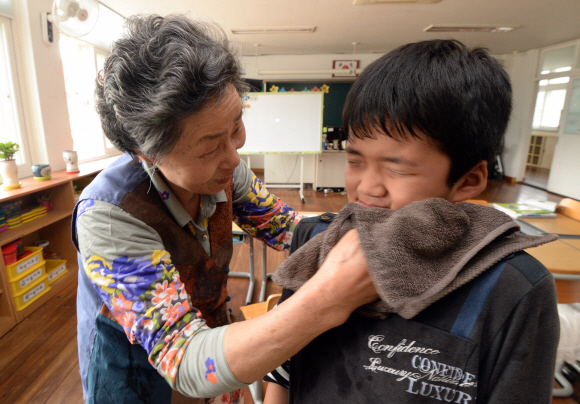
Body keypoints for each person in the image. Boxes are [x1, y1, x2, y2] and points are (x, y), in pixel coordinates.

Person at [72, 14, 378, 404]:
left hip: (214, 344)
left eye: (236, 126)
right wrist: (325, 300)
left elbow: (285, 227)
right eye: (210, 146)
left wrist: (368, 233)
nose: (234, 157)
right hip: (137, 376)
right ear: (147, 154)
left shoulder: (223, 169)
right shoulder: (109, 215)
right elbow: (182, 358)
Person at [263, 39, 560, 404]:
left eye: (397, 167)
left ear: (468, 180)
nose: (366, 188)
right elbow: (284, 367)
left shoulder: (511, 289)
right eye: (355, 160)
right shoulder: (320, 240)